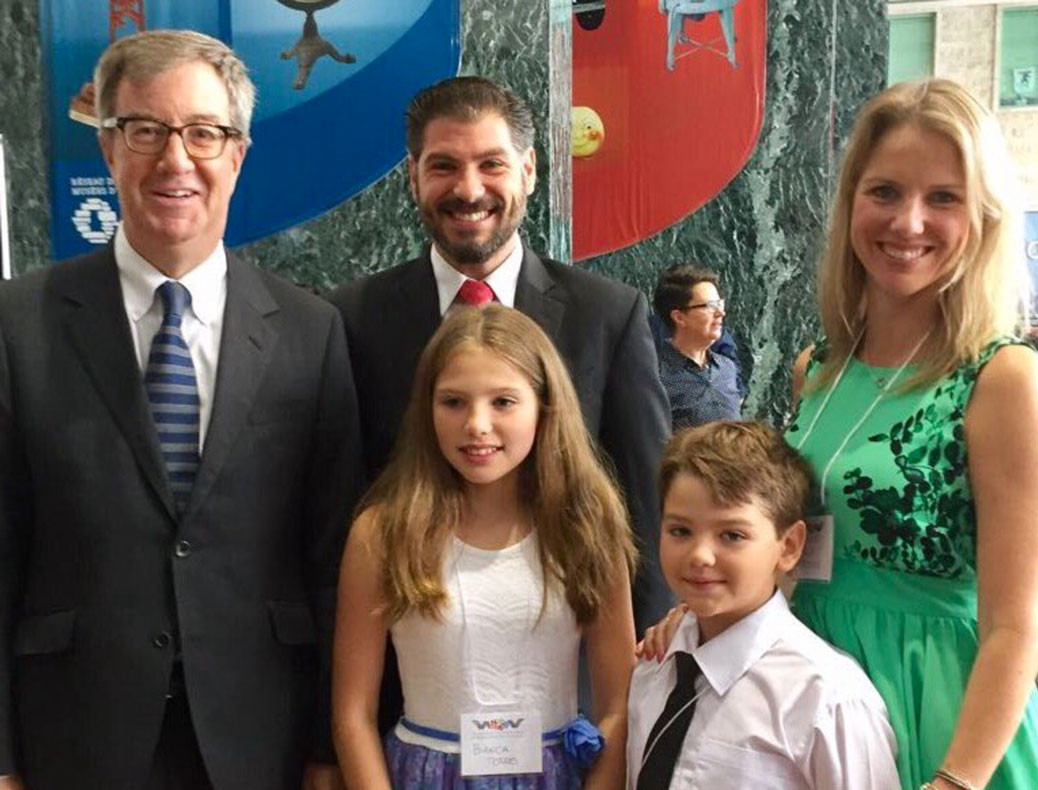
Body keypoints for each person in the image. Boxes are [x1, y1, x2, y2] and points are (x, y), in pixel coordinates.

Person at [0, 31, 361, 790]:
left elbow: (333, 560)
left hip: (260, 732)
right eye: (145, 130)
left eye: (203, 133)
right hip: (72, 731)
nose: (176, 160)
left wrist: (332, 744)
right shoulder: (18, 323)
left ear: (237, 153)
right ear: (108, 147)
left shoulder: (309, 329)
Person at [328, 76, 672, 730]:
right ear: (413, 177)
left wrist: (642, 706)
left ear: (530, 170)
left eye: (491, 163)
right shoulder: (352, 320)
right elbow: (338, 511)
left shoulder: (607, 316)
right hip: (412, 713)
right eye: (443, 167)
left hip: (568, 710)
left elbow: (645, 512)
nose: (468, 188)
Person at [787, 78, 1038, 789]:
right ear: (851, 203)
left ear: (985, 217)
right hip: (814, 707)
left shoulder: (1002, 379)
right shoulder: (817, 368)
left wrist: (957, 780)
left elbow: (1016, 626)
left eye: (944, 198)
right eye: (886, 192)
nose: (908, 222)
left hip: (938, 713)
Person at [332, 304, 636, 789]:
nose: (476, 424)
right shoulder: (383, 531)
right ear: (426, 408)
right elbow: (352, 714)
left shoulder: (587, 525)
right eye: (453, 402)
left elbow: (619, 702)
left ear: (545, 405)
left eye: (503, 402)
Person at [628, 421, 898, 789]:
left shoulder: (826, 699)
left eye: (732, 535)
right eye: (680, 531)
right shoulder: (653, 666)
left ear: (788, 547)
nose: (700, 555)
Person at [651, 265, 743, 428]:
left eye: (719, 304)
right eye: (710, 306)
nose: (721, 313)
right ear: (679, 317)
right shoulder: (655, 377)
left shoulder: (727, 368)